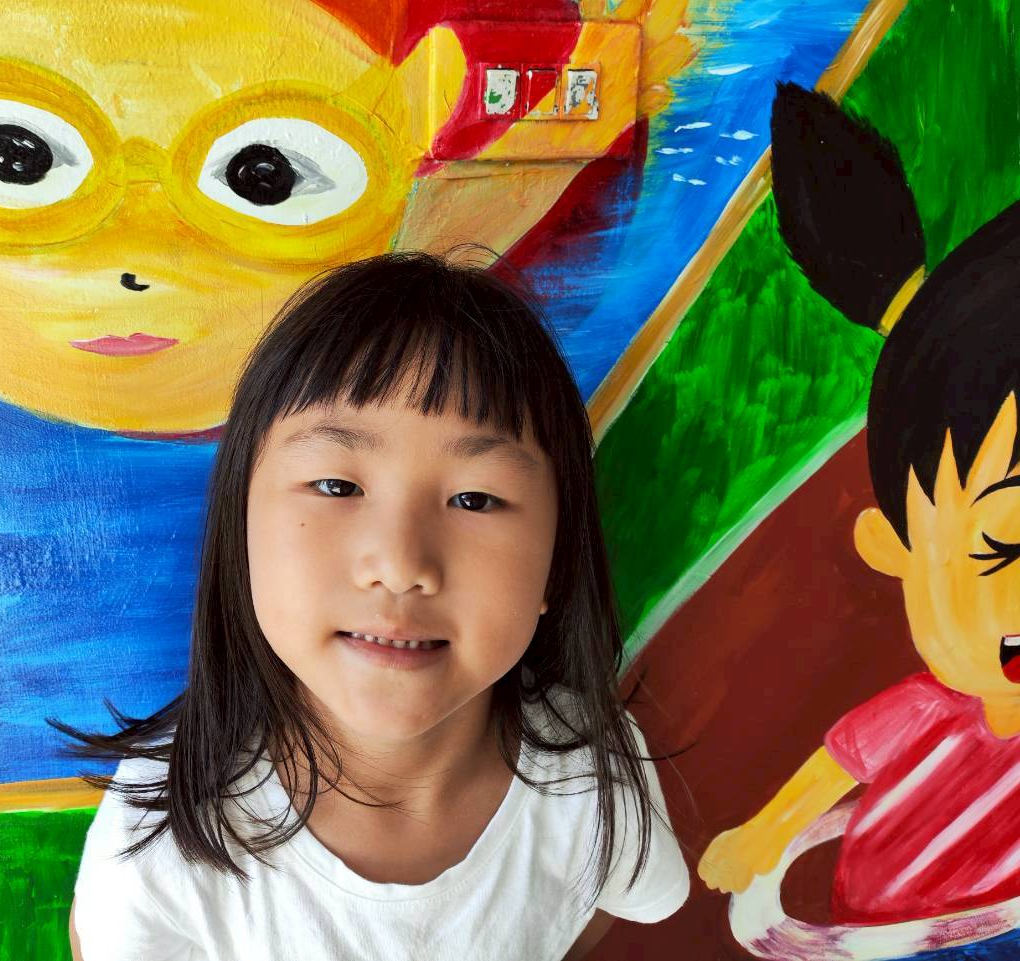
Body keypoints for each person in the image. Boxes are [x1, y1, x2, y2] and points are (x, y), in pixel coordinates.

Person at [51, 249, 690, 959]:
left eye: (475, 498)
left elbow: (591, 910)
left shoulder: (591, 773)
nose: (400, 565)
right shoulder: (162, 826)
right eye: (336, 486)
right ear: (242, 528)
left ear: (556, 562)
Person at [699, 83, 1020, 927]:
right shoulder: (921, 713)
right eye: (1005, 548)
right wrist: (766, 833)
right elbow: (836, 767)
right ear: (895, 544)